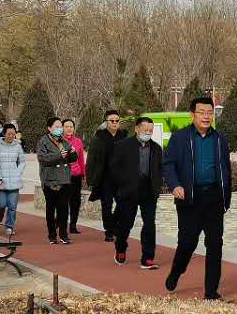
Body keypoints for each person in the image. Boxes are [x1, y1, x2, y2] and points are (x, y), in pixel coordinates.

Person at [162, 97, 231, 300]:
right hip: (189, 197)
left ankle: (211, 291)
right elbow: (168, 164)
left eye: (210, 112)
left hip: (214, 197)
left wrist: (225, 196)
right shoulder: (180, 137)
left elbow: (225, 168)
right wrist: (175, 185)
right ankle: (176, 272)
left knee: (215, 244)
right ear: (192, 115)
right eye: (202, 112)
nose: (206, 116)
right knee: (187, 243)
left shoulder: (219, 139)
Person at [107, 116, 164, 270]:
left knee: (149, 224)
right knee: (125, 224)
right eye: (145, 130)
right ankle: (120, 249)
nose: (148, 132)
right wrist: (123, 182)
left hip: (149, 191)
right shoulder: (123, 146)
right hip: (129, 191)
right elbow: (113, 168)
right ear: (137, 129)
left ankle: (148, 258)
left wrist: (158, 185)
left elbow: (160, 169)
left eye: (150, 130)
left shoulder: (156, 149)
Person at [85, 109, 127, 242]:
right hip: (105, 179)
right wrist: (90, 179)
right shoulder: (98, 138)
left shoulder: (125, 136)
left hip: (121, 179)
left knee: (123, 205)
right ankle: (109, 231)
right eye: (112, 120)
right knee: (107, 206)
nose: (115, 123)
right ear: (106, 122)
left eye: (117, 120)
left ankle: (113, 225)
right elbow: (91, 160)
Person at [36, 117, 79, 244]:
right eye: (57, 127)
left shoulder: (65, 141)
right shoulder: (43, 141)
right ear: (49, 128)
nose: (60, 129)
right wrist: (60, 155)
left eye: (61, 126)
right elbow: (43, 159)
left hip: (64, 179)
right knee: (51, 208)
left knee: (63, 209)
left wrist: (72, 153)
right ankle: (52, 235)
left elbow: (73, 158)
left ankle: (63, 235)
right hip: (50, 180)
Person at [0, 122, 25, 237]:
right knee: (1, 204)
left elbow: (22, 162)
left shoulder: (17, 146)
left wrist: (18, 172)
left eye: (13, 134)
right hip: (0, 181)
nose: (11, 136)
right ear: (4, 133)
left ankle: (9, 226)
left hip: (14, 181)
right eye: (9, 134)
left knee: (12, 206)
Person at [62, 118, 87, 234]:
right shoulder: (58, 141)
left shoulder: (78, 141)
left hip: (76, 176)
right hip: (63, 176)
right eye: (66, 126)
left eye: (71, 127)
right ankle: (61, 224)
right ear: (62, 128)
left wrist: (83, 173)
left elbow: (81, 158)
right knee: (63, 202)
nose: (69, 129)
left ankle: (73, 225)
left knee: (75, 202)